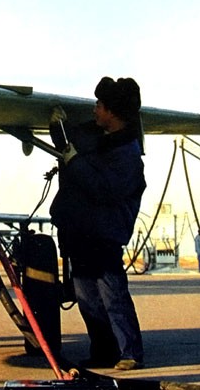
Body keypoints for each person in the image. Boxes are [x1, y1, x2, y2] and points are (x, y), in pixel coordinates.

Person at [49, 77, 146, 372]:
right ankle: (103, 350)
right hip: (82, 233)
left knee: (112, 295)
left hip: (104, 236)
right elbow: (79, 154)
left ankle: (130, 352)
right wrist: (59, 131)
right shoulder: (100, 142)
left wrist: (74, 161)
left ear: (113, 112)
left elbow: (104, 189)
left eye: (100, 106)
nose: (94, 110)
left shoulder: (127, 155)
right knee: (87, 298)